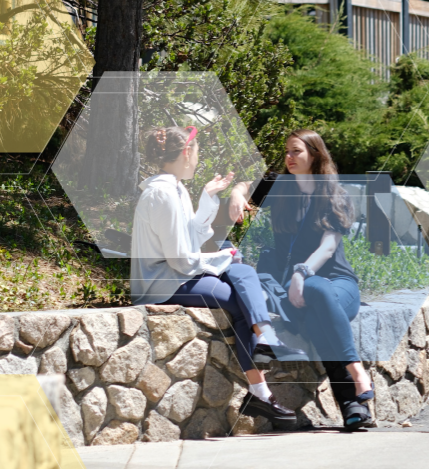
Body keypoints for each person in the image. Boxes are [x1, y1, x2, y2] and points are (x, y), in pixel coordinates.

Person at [131, 125, 297, 426]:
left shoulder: (176, 189)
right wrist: (218, 259)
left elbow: (190, 238)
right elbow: (181, 259)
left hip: (177, 275)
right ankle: (261, 388)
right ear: (185, 153)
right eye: (197, 151)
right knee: (239, 294)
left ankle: (264, 350)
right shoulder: (163, 194)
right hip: (162, 283)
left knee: (242, 272)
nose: (198, 156)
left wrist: (208, 198)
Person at [227, 129, 375, 430]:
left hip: (337, 283)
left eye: (296, 151)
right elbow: (245, 183)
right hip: (293, 292)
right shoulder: (281, 188)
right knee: (318, 318)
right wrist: (236, 194)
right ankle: (353, 401)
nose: (289, 157)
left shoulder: (334, 195)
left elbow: (328, 247)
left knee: (318, 289)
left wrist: (301, 272)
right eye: (287, 152)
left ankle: (354, 382)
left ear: (315, 155)